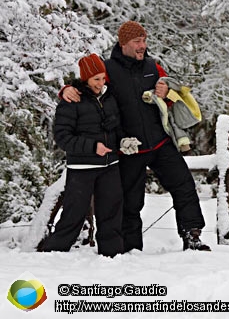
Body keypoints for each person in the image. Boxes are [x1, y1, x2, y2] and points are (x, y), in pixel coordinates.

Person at [60, 21, 209, 252]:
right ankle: (131, 249)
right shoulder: (108, 69)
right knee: (130, 202)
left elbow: (173, 94)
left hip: (160, 143)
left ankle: (192, 236)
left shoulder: (153, 66)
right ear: (123, 44)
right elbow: (90, 89)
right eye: (137, 41)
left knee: (184, 186)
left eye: (144, 40)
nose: (142, 46)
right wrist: (66, 90)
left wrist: (167, 92)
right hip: (129, 149)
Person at [42, 54, 123, 257]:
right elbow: (62, 137)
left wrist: (123, 141)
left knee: (111, 211)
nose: (101, 83)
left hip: (109, 165)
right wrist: (93, 147)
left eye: (103, 78)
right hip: (82, 168)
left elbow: (116, 127)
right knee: (73, 213)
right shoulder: (71, 100)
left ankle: (112, 256)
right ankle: (53, 254)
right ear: (86, 78)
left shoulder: (109, 96)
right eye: (96, 79)